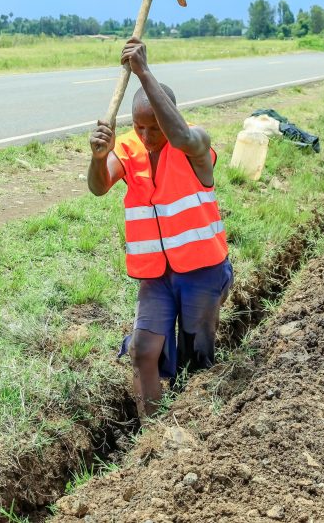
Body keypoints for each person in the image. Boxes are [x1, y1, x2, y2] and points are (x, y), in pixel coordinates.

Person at [87, 38, 233, 418]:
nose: (147, 137)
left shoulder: (194, 142)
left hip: (202, 271)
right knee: (142, 351)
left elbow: (179, 136)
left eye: (155, 127)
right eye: (139, 127)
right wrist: (98, 158)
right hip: (155, 275)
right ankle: (150, 436)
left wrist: (144, 71)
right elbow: (99, 187)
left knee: (195, 356)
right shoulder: (128, 148)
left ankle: (194, 423)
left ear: (171, 117)